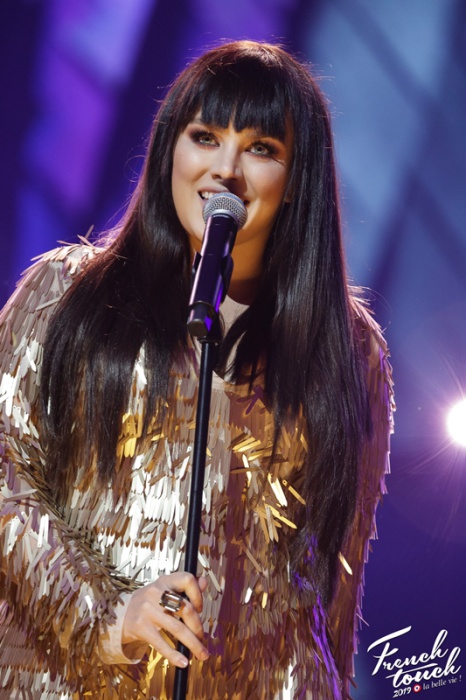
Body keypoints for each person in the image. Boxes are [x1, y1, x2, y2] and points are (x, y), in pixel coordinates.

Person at [0, 40, 393, 699]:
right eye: (205, 137)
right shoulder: (65, 293)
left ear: (297, 179)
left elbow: (334, 579)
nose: (225, 170)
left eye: (261, 148)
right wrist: (107, 615)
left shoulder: (349, 351)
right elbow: (6, 475)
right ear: (169, 151)